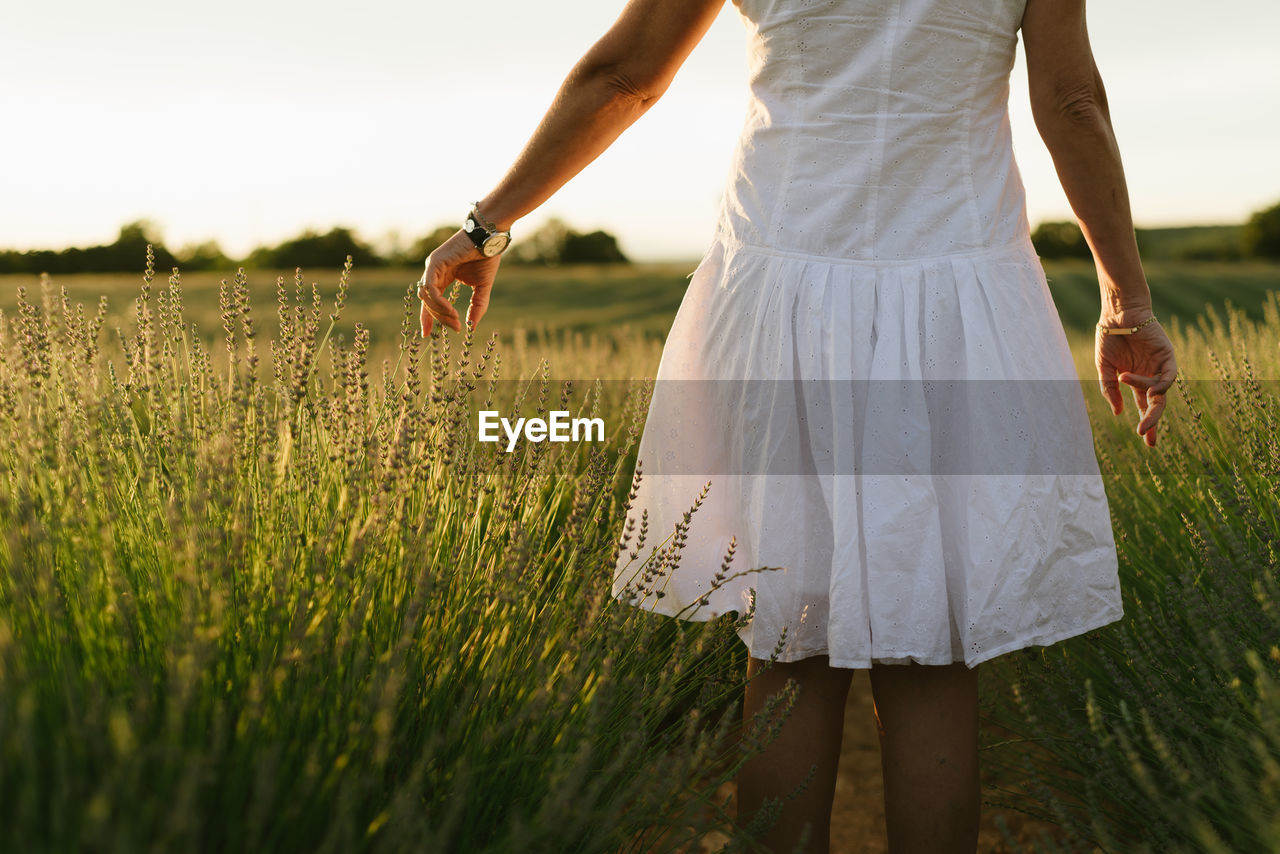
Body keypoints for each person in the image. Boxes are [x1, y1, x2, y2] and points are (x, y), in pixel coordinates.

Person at [417, 0, 1179, 851]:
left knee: (787, 633)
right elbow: (1071, 104)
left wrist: (489, 225)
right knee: (931, 651)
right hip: (955, 295)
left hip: (782, 287)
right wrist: (1126, 302)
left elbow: (625, 75)